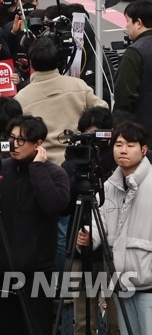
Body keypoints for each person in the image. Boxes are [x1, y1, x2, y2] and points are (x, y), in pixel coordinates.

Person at [0, 115, 70, 335]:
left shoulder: (55, 173)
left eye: (22, 140)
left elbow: (54, 205)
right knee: (7, 327)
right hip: (1, 267)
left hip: (36, 271)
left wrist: (37, 169)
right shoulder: (0, 169)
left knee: (36, 327)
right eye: (12, 138)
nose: (15, 144)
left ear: (39, 144)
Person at [77, 121, 152, 333]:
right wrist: (88, 237)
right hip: (120, 281)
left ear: (143, 149)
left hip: (148, 282)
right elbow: (98, 218)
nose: (123, 150)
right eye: (119, 144)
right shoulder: (109, 185)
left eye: (130, 144)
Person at [15, 37, 107, 165]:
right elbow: (103, 110)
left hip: (41, 162)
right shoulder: (79, 86)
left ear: (32, 64)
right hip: (80, 158)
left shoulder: (21, 98)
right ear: (58, 61)